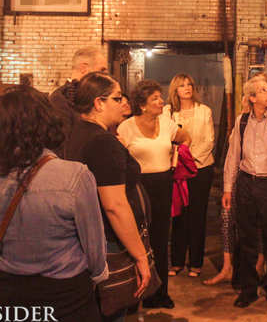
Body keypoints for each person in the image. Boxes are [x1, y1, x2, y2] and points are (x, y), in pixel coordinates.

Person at [0, 86, 109, 322]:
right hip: (65, 297)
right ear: (47, 122)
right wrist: (98, 276)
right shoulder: (74, 175)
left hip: (6, 292)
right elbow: (94, 245)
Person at [66, 72, 152, 320]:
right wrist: (140, 257)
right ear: (98, 103)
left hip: (86, 241)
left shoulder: (77, 132)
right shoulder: (102, 142)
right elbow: (114, 205)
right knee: (111, 310)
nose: (123, 103)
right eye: (117, 98)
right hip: (109, 243)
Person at [118, 79, 191, 309]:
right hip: (137, 187)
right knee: (136, 240)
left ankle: (159, 294)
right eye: (155, 99)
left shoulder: (167, 123)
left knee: (160, 239)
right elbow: (118, 158)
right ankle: (134, 295)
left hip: (163, 184)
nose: (161, 102)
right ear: (142, 105)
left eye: (161, 97)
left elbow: (185, 137)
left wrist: (176, 159)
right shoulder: (126, 127)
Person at [223, 74, 267, 311]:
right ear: (251, 97)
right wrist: (227, 188)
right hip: (245, 183)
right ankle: (249, 289)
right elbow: (233, 157)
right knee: (247, 240)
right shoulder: (242, 121)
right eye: (262, 90)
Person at [164, 74, 215, 278]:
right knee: (178, 215)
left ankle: (196, 262)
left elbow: (209, 140)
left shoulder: (205, 111)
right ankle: (176, 262)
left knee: (197, 215)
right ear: (175, 90)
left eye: (189, 85)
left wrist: (190, 160)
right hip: (177, 169)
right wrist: (179, 160)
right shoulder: (169, 112)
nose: (186, 88)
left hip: (201, 168)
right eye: (182, 85)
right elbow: (166, 138)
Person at [49, 46, 108, 148]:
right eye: (101, 70)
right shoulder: (59, 99)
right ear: (83, 68)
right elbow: (63, 143)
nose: (106, 76)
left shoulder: (96, 95)